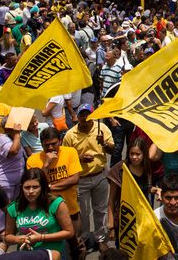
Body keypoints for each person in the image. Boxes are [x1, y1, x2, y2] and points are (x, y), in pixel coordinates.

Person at [61, 103, 114, 248]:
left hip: (100, 176)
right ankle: (83, 238)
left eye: (88, 114)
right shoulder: (70, 135)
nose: (85, 117)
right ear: (77, 117)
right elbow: (65, 160)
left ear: (93, 116)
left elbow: (112, 149)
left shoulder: (102, 129)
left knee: (100, 209)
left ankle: (100, 239)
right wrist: (79, 158)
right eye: (82, 114)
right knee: (83, 212)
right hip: (81, 180)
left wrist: (103, 143)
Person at [26, 127, 83, 258]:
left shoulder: (70, 153)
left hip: (71, 210)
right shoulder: (33, 160)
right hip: (46, 215)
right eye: (47, 145)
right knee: (51, 248)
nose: (51, 148)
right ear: (41, 144)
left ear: (60, 141)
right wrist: (46, 165)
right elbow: (35, 185)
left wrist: (48, 187)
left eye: (54, 143)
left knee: (77, 246)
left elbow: (74, 179)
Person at [4, 168, 74, 255]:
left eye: (35, 187)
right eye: (27, 187)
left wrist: (41, 237)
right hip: (27, 255)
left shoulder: (56, 204)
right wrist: (18, 239)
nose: (31, 191)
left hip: (53, 254)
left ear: (43, 187)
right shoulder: (13, 207)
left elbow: (69, 232)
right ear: (21, 187)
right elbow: (7, 236)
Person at [107, 137, 153, 243]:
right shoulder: (120, 169)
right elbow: (111, 200)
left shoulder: (146, 169)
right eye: (132, 154)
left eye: (138, 154)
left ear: (144, 155)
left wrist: (156, 190)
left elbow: (144, 190)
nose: (134, 157)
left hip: (142, 221)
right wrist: (111, 227)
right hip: (124, 221)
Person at [0, 118, 24, 214]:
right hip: (2, 182)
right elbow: (13, 151)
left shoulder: (14, 138)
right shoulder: (3, 139)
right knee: (3, 214)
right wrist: (17, 134)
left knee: (12, 212)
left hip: (13, 183)